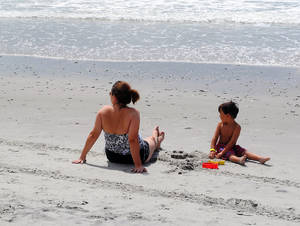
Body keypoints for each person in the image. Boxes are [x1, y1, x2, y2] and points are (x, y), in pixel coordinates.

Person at [72, 81, 165, 173]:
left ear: (114, 96)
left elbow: (93, 135)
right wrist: (138, 165)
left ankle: (156, 137)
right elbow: (133, 140)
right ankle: (157, 139)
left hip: (113, 156)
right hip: (136, 157)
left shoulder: (102, 112)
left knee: (145, 140)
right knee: (151, 141)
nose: (109, 95)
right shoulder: (133, 113)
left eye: (110, 93)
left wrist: (82, 157)